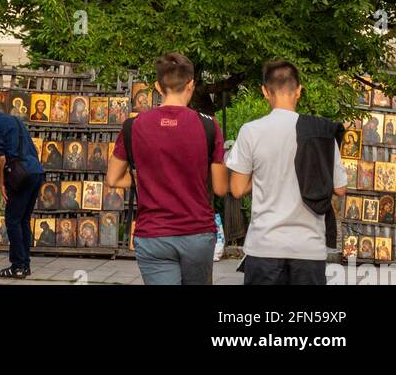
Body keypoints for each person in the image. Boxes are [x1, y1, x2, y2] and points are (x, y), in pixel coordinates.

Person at [107, 51, 228, 286]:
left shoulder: (134, 126)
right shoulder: (208, 125)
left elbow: (113, 178)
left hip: (153, 234)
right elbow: (221, 188)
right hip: (197, 233)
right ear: (191, 84)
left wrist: (142, 180)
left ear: (157, 87)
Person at [227, 60, 347, 287]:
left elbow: (237, 188)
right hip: (309, 248)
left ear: (264, 91)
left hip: (264, 247)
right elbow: (340, 189)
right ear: (299, 90)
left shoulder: (251, 131)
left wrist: (262, 172)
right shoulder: (321, 133)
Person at [0, 103, 45, 279]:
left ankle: (17, 266)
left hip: (20, 175)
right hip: (36, 171)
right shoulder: (15, 120)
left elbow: (1, 157)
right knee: (23, 220)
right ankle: (25, 265)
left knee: (13, 220)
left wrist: (1, 182)